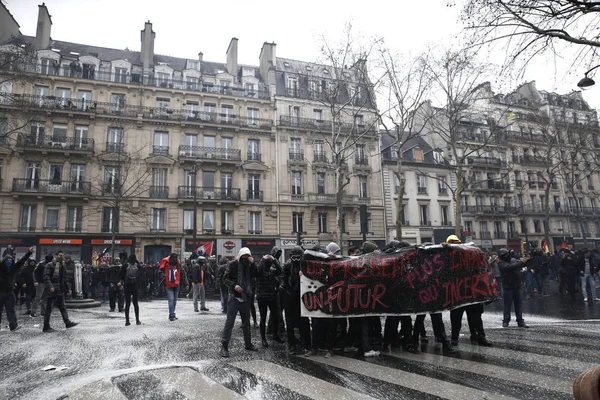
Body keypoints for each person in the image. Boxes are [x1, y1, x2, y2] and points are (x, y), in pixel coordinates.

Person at [445, 235, 492, 347]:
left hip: (471, 293)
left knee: (475, 318)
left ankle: (478, 336)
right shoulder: (448, 260)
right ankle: (455, 338)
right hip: (458, 294)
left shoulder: (469, 256)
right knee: (456, 319)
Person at [220, 247, 258, 357]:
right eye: (244, 257)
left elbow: (256, 274)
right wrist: (234, 285)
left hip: (246, 296)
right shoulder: (232, 264)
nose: (245, 259)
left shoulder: (250, 266)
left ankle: (248, 344)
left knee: (246, 322)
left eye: (248, 257)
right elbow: (225, 279)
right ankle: (224, 346)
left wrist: (253, 263)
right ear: (240, 256)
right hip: (234, 297)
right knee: (230, 322)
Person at [282, 246, 311, 355]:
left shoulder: (305, 266)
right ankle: (292, 345)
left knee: (304, 321)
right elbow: (283, 280)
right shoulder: (287, 266)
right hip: (290, 296)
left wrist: (304, 276)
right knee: (289, 323)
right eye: (294, 258)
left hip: (302, 296)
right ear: (290, 257)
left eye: (298, 258)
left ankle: (306, 344)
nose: (296, 260)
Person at [43, 250, 78, 332]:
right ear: (56, 256)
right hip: (52, 290)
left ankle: (67, 322)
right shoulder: (49, 265)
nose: (61, 257)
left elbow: (64, 278)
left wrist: (68, 288)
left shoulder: (63, 265)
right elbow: (46, 277)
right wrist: (50, 286)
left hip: (60, 289)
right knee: (48, 308)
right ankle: (46, 326)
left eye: (62, 255)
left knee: (63, 307)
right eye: (60, 255)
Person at [256, 246, 285, 348]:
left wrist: (274, 259)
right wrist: (264, 259)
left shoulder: (272, 272)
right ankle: (263, 338)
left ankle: (275, 335)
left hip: (272, 296)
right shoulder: (260, 271)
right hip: (262, 297)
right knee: (263, 318)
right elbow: (259, 269)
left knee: (276, 316)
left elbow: (280, 270)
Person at [0, 247, 33, 331]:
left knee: (10, 310)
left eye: (10, 261)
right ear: (4, 261)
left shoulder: (12, 268)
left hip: (9, 292)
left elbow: (21, 261)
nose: (9, 262)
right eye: (7, 260)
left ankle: (13, 325)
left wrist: (29, 253)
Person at [498, 248, 529, 328]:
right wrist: (522, 262)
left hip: (517, 285)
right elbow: (509, 267)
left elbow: (522, 264)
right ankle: (506, 321)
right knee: (507, 305)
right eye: (505, 255)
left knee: (518, 305)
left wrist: (527, 260)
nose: (507, 256)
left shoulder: (514, 260)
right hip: (508, 287)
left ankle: (520, 321)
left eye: (507, 254)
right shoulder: (501, 263)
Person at [159, 253, 187, 321]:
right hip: (171, 285)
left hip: (174, 284)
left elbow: (183, 274)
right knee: (172, 300)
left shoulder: (174, 265)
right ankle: (171, 314)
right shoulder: (169, 264)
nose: (175, 259)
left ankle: (172, 314)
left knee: (173, 300)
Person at [120, 254, 141, 326]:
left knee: (127, 303)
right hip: (135, 286)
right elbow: (140, 275)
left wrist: (122, 283)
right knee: (135, 303)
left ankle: (127, 321)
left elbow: (121, 275)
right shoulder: (137, 266)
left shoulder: (125, 266)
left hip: (127, 286)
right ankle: (137, 320)